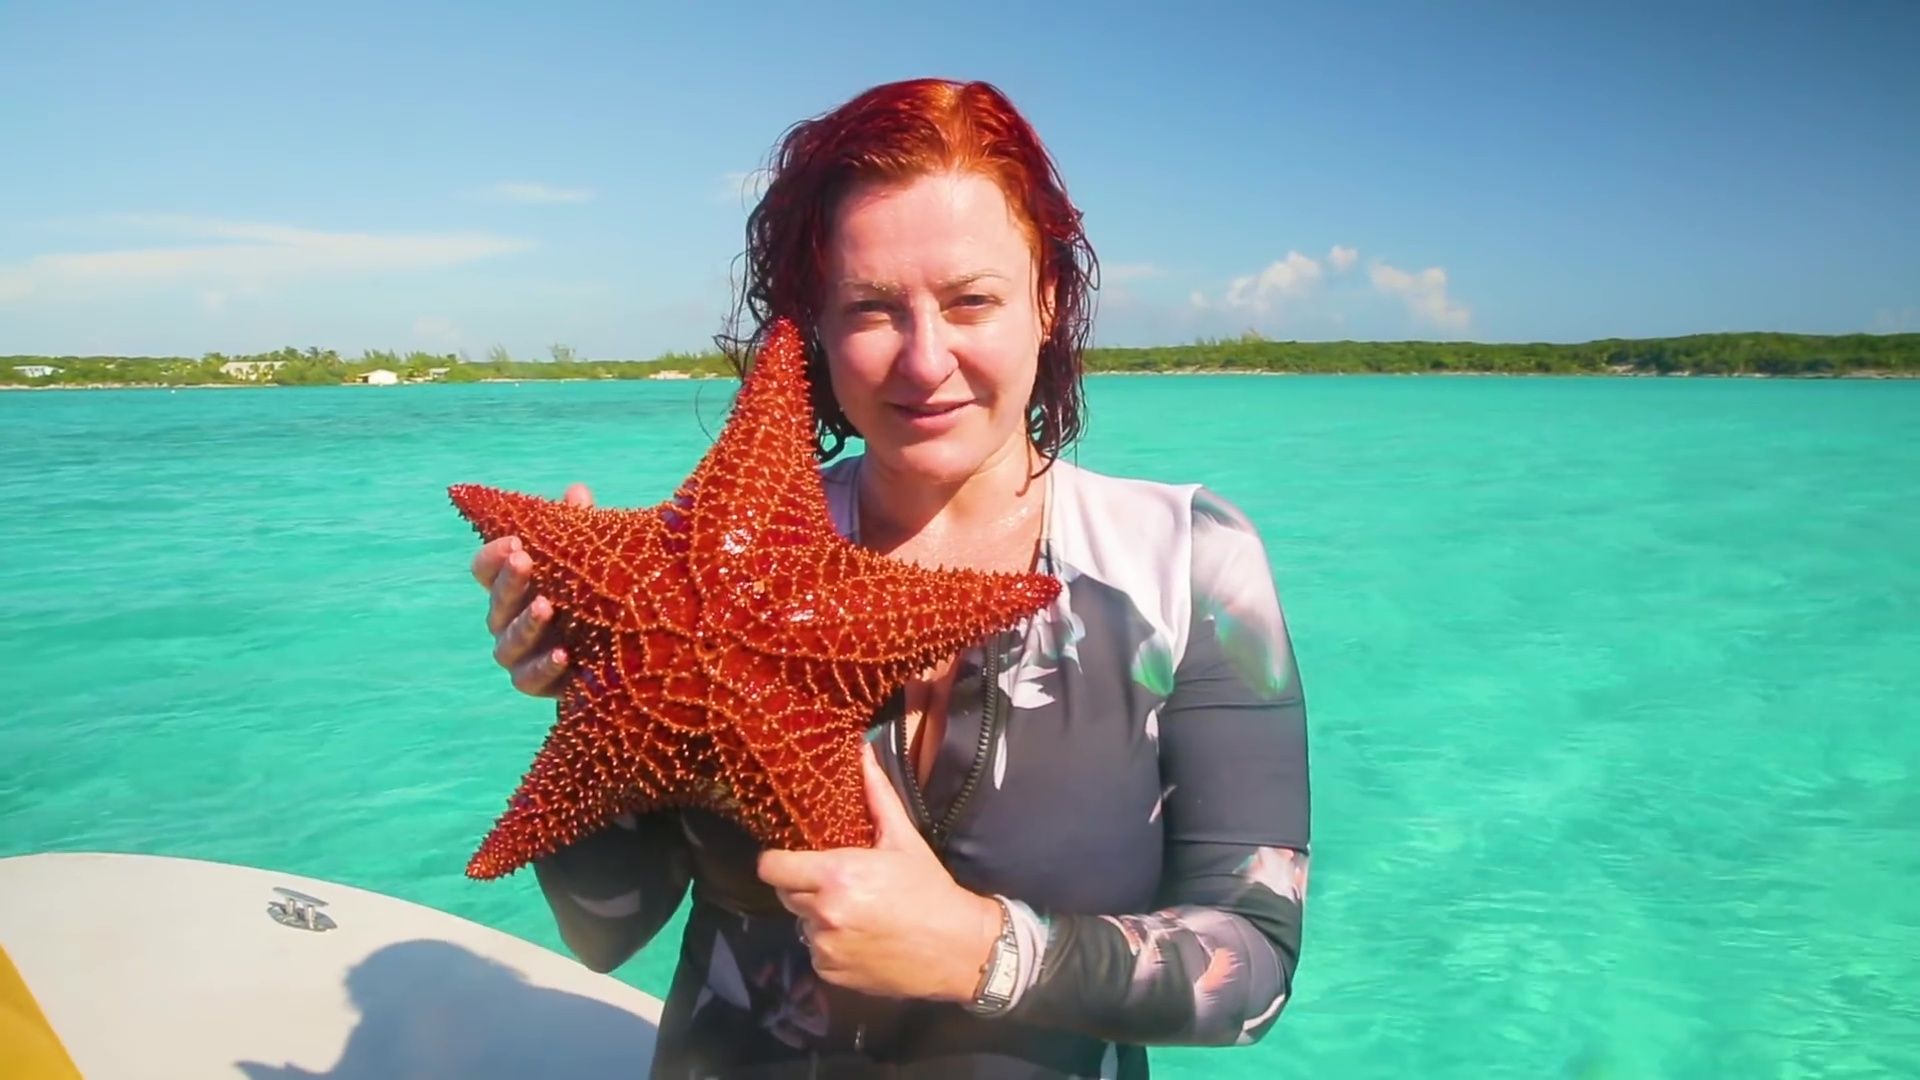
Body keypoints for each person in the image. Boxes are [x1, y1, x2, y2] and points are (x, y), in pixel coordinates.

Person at [468, 78, 1311, 1079]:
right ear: (816, 325)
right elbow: (604, 932)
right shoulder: (692, 566)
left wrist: (980, 951)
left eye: (971, 301)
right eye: (871, 307)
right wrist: (587, 680)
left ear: (1048, 300)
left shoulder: (1183, 562)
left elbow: (1254, 965)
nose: (924, 359)